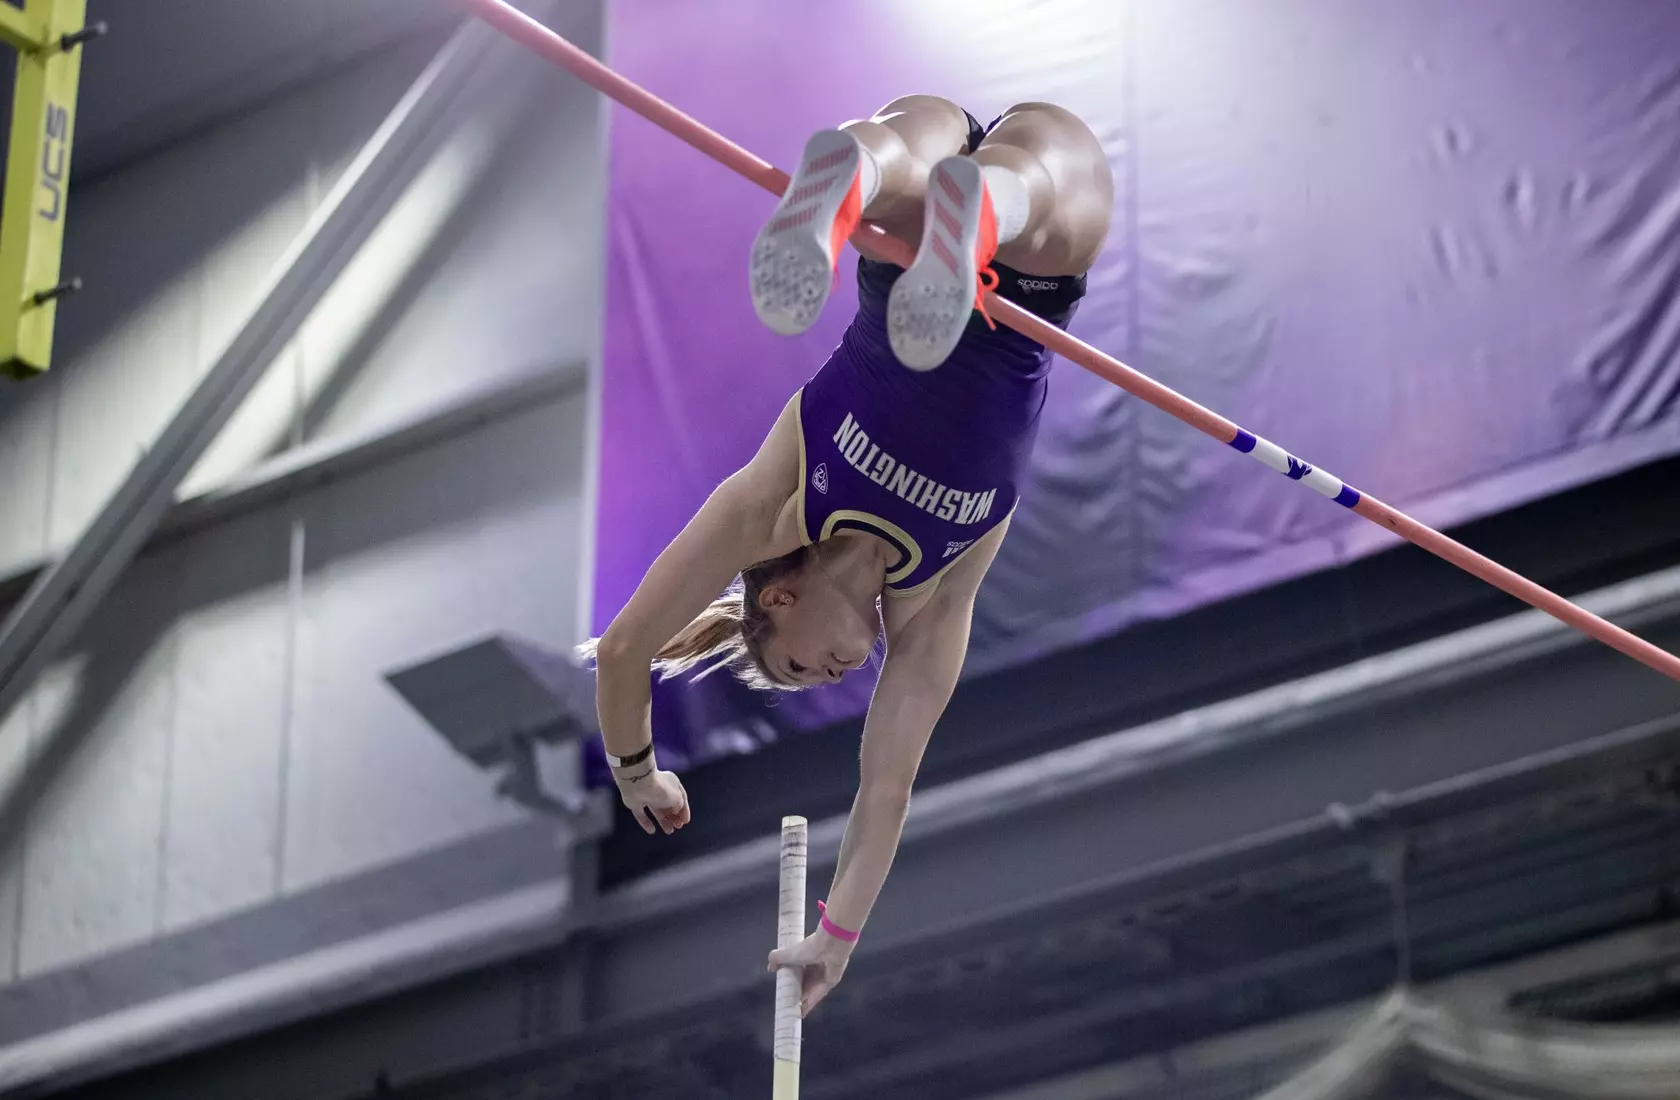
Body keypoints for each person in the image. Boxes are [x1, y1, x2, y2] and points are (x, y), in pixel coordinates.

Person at [589, 95, 1113, 1017]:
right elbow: (886, 786)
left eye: (793, 665)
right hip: (1019, 293)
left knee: (904, 166)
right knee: (1056, 204)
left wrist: (638, 771)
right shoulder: (934, 601)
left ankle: (849, 180)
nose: (830, 675)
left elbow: (630, 644)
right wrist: (837, 937)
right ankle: (977, 207)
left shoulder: (777, 505)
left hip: (900, 269)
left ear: (778, 598)